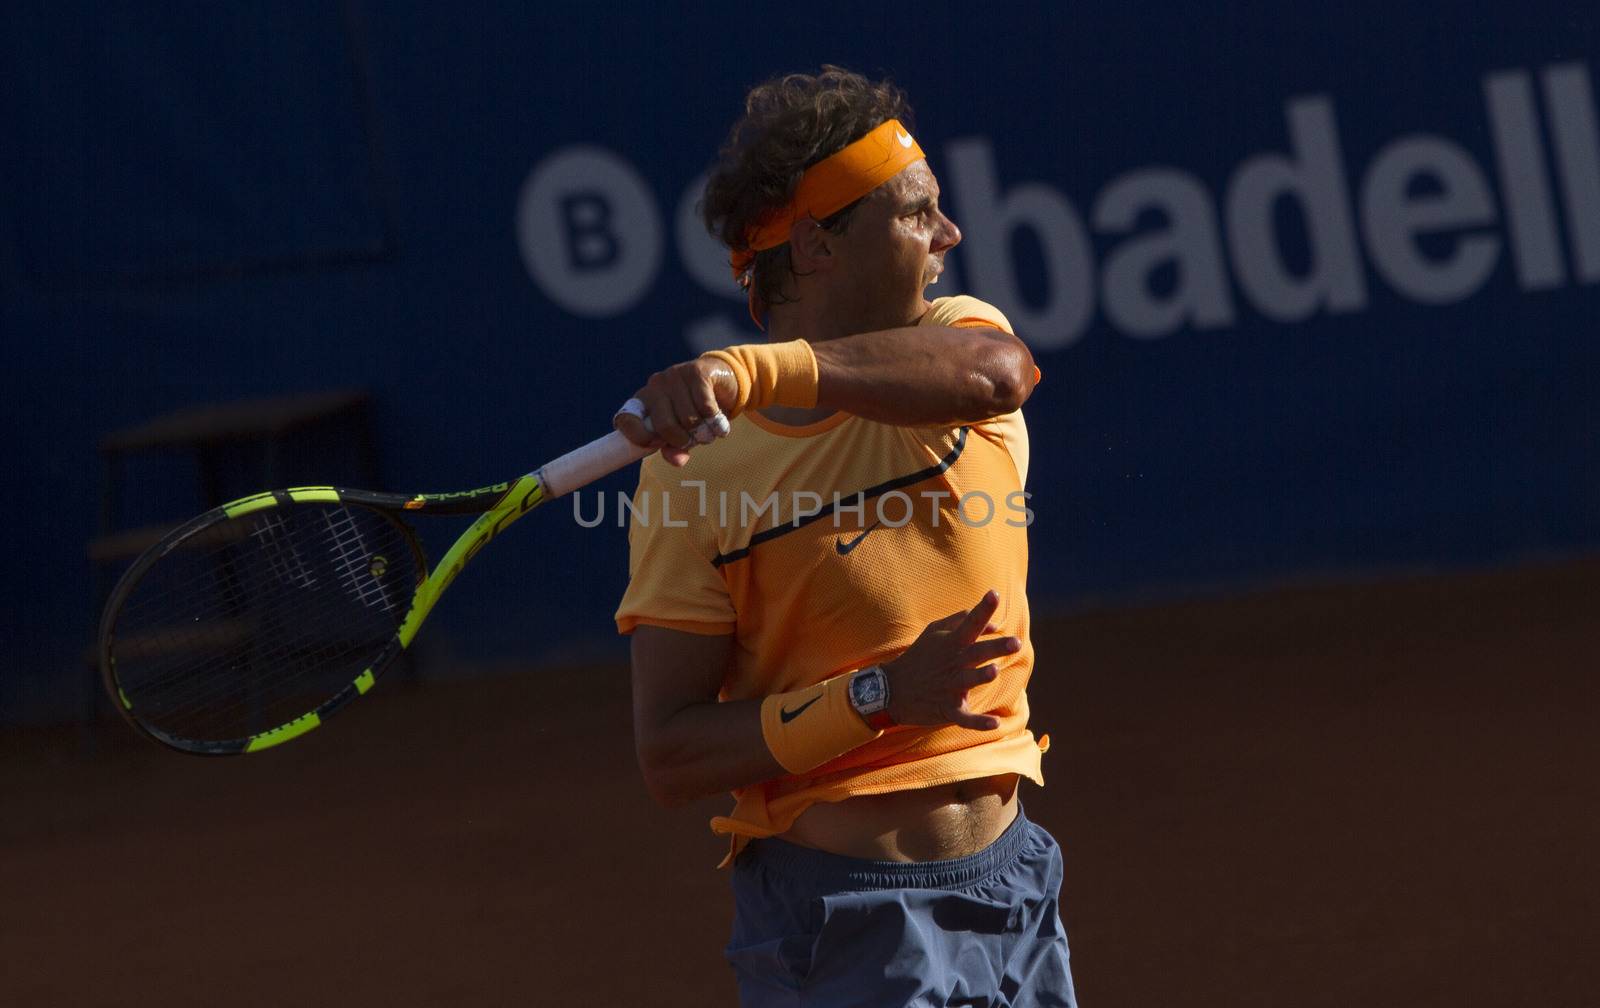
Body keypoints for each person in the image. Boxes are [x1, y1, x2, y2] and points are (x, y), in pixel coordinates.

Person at [612, 66, 1076, 1007]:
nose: (948, 236)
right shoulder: (692, 475)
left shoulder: (961, 339)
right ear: (818, 246)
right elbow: (673, 754)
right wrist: (876, 698)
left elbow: (998, 375)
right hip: (840, 930)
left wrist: (747, 372)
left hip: (1017, 888)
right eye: (916, 214)